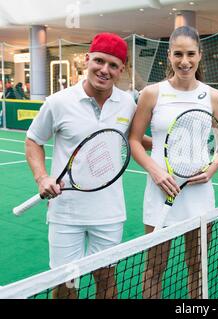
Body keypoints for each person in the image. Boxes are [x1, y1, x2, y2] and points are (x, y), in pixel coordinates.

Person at [25, 32, 151, 299]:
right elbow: (33, 140)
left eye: (113, 65)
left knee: (107, 279)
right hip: (66, 213)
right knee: (66, 283)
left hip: (109, 212)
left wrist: (171, 144)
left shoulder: (127, 103)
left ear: (121, 70)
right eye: (99, 61)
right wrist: (42, 178)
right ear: (87, 60)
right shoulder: (58, 102)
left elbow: (134, 139)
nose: (104, 70)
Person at [128, 25, 218, 299]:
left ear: (200, 55)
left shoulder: (213, 96)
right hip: (160, 192)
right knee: (154, 267)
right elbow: (134, 140)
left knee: (197, 266)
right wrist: (155, 171)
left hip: (199, 193)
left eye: (191, 54)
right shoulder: (152, 93)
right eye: (178, 54)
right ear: (169, 56)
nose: (185, 61)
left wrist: (212, 169)